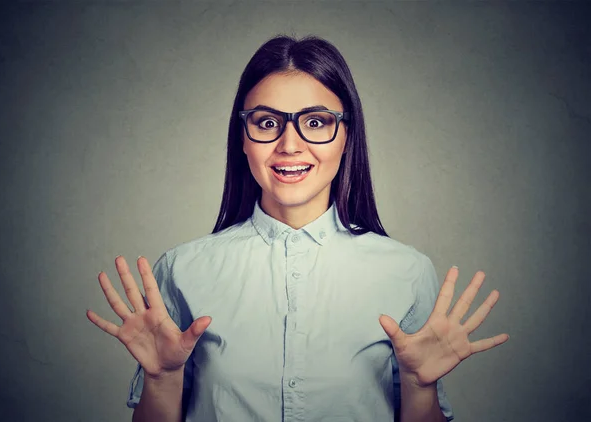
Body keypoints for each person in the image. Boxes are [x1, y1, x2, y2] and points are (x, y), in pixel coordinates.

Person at [86, 34, 509, 422]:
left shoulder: (407, 272)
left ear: (347, 135)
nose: (290, 145)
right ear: (244, 138)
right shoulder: (181, 271)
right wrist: (161, 381)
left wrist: (420, 388)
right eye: (268, 123)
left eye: (316, 122)